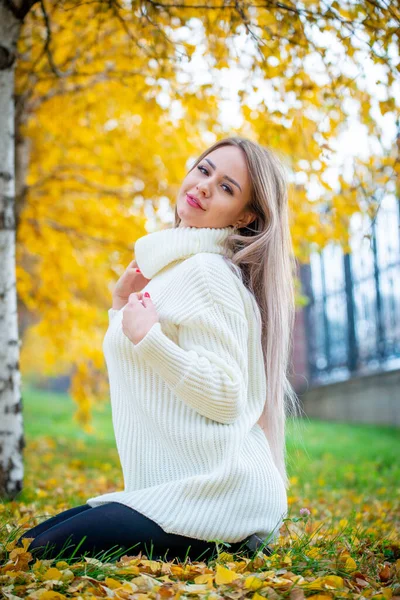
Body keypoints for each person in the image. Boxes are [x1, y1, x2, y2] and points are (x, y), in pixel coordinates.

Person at [17, 136, 300, 563]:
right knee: (26, 545)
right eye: (204, 170)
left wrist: (149, 339)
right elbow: (143, 374)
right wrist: (120, 308)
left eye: (226, 187)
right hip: (178, 492)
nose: (205, 185)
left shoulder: (206, 271)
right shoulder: (177, 267)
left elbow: (226, 394)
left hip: (219, 503)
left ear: (245, 216)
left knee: (39, 552)